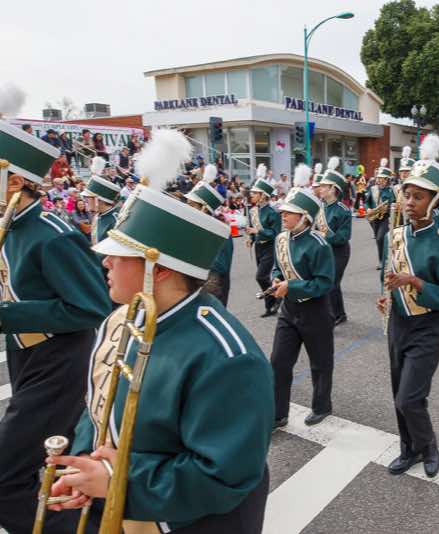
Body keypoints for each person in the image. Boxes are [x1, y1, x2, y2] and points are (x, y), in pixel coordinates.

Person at [47, 129, 274, 533]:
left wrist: (120, 481)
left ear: (160, 268)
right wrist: (85, 466)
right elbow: (97, 407)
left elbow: (224, 475)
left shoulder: (226, 357)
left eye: (119, 256)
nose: (105, 263)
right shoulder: (122, 319)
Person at [0, 119, 111, 533]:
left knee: (6, 476)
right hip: (25, 356)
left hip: (60, 360)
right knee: (54, 463)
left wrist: (7, 315)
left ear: (14, 181)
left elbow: (92, 307)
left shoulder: (53, 235)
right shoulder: (11, 227)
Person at [376, 134, 439, 478]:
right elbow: (389, 274)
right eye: (407, 195)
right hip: (398, 323)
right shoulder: (395, 235)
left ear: (435, 201)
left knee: (409, 398)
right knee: (398, 393)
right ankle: (408, 449)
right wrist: (387, 295)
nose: (410, 202)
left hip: (427, 327)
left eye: (419, 197)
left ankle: (428, 447)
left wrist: (415, 283)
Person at [269, 173, 335, 429]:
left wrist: (292, 286)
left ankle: (322, 406)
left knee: (320, 362)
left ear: (304, 216)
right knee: (279, 361)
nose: (283, 215)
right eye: (283, 211)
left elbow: (324, 283)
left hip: (315, 311)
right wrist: (276, 279)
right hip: (289, 310)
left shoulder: (320, 245)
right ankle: (278, 414)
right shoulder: (280, 239)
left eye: (289, 212)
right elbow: (277, 267)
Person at [187, 164, 235, 307]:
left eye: (192, 205)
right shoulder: (196, 228)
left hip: (213, 289)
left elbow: (221, 266)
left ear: (204, 208)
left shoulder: (221, 231)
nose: (187, 208)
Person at [318, 157, 353, 326]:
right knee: (330, 283)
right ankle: (339, 313)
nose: (320, 189)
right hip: (325, 250)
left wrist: (324, 235)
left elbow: (343, 237)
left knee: (332, 283)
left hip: (339, 251)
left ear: (333, 189)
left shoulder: (343, 211)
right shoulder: (321, 208)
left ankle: (334, 315)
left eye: (324, 186)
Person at [247, 164, 282, 317]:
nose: (251, 195)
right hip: (258, 248)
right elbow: (252, 228)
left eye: (255, 193)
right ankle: (271, 305)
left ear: (263, 195)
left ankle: (275, 298)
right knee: (263, 278)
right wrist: (251, 238)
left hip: (269, 247)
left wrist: (258, 231)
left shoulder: (273, 212)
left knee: (260, 276)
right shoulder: (253, 211)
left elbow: (275, 234)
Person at [83, 157, 121, 247]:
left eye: (87, 198)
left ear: (97, 200)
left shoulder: (116, 222)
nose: (85, 201)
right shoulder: (98, 216)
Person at [365, 162, 395, 269]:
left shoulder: (391, 190)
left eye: (382, 178)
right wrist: (368, 209)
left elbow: (394, 203)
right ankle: (381, 260)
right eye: (378, 178)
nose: (379, 180)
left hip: (385, 218)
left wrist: (388, 207)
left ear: (387, 180)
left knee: (380, 237)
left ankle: (384, 260)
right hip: (374, 218)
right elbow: (367, 202)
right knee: (378, 240)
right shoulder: (373, 189)